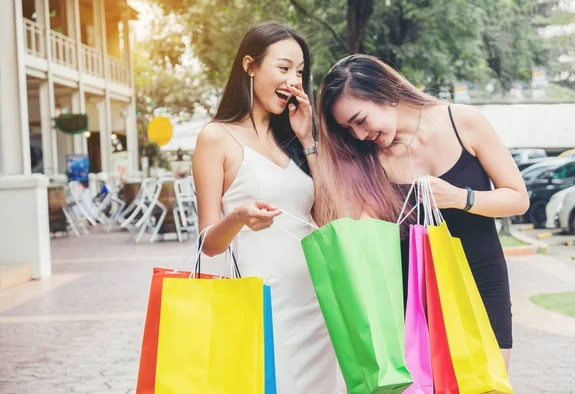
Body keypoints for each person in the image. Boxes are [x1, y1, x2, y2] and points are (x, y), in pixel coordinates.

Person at [314, 54, 529, 369]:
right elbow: (345, 227)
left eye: (360, 120)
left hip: (481, 281)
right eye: (349, 129)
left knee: (486, 384)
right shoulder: (366, 160)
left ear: (385, 94)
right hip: (412, 300)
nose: (359, 135)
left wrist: (460, 198)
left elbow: (518, 198)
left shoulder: (463, 121)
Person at [192, 22, 343, 392]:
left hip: (317, 298)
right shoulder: (216, 137)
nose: (294, 79)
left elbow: (327, 218)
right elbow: (208, 243)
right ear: (250, 66)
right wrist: (239, 217)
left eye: (300, 71)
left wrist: (308, 138)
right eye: (284, 67)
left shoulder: (293, 138)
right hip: (264, 303)